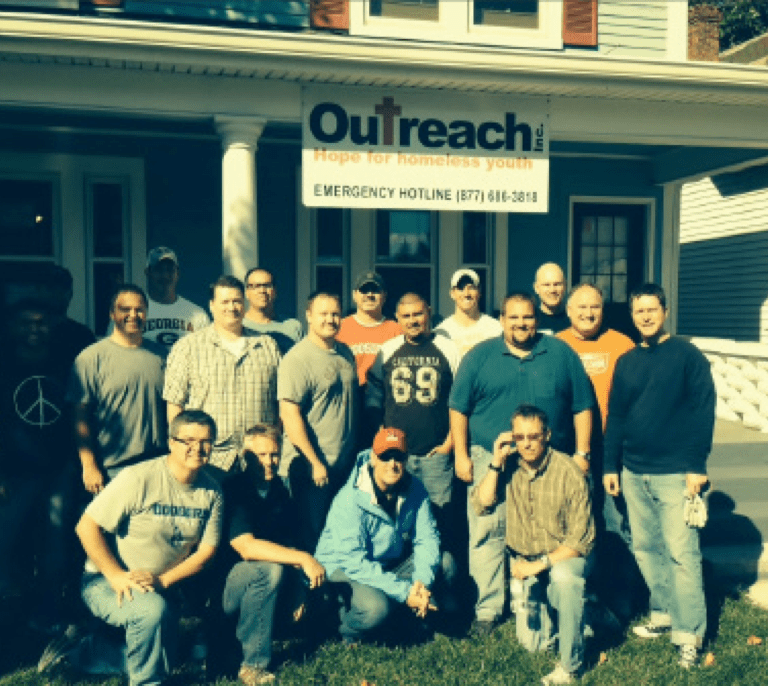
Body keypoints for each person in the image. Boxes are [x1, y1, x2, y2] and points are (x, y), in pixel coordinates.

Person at [38, 410, 223, 686]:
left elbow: (206, 553)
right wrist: (115, 575)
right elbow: (85, 527)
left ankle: (80, 652)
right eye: (188, 440)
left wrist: (162, 581)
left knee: (163, 657)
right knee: (150, 614)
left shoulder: (212, 491)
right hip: (105, 580)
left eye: (206, 441)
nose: (197, 448)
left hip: (160, 586)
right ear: (171, 442)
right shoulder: (139, 478)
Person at [449, 292, 594, 634]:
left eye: (527, 317)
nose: (521, 324)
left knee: (546, 528)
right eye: (513, 318)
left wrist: (583, 453)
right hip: (493, 455)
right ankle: (487, 609)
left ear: (537, 320)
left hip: (546, 458)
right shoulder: (480, 356)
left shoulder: (559, 353)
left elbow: (582, 404)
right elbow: (458, 407)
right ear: (501, 320)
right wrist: (461, 453)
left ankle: (543, 597)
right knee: (487, 530)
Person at [603, 283, 715, 669]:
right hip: (634, 472)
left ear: (664, 311)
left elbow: (702, 412)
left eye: (652, 309)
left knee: (682, 554)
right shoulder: (628, 360)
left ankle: (689, 635)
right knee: (647, 549)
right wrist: (609, 465)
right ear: (632, 315)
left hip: (675, 475)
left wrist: (696, 467)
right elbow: (615, 416)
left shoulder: (687, 356)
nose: (645, 316)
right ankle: (664, 613)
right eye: (639, 311)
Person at [472, 405, 595, 685]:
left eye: (533, 436)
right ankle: (585, 617)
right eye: (519, 437)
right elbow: (481, 504)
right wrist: (495, 461)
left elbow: (581, 539)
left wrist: (537, 566)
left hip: (563, 558)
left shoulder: (568, 471)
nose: (526, 444)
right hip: (527, 563)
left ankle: (570, 667)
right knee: (533, 644)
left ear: (547, 435)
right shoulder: (508, 466)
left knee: (564, 581)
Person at [315, 427, 451, 645]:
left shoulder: (416, 489)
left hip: (384, 564)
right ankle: (345, 629)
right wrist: (405, 592)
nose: (392, 464)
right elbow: (354, 561)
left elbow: (427, 538)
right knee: (375, 609)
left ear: (406, 460)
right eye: (385, 456)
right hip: (343, 569)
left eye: (398, 457)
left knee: (446, 563)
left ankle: (402, 618)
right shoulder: (350, 499)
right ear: (373, 458)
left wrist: (421, 584)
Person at [216, 424, 325, 686]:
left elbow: (290, 541)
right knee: (270, 570)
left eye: (274, 455)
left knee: (314, 582)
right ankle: (252, 665)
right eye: (261, 456)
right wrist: (303, 558)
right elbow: (247, 547)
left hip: (263, 585)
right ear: (246, 457)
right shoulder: (235, 489)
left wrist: (300, 588)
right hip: (227, 586)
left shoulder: (279, 489)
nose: (269, 462)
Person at [557, 283, 640, 621]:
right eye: (581, 307)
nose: (588, 313)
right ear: (568, 311)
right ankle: (584, 593)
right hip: (571, 449)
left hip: (613, 446)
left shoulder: (622, 344)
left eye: (594, 307)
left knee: (616, 523)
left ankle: (622, 595)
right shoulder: (557, 345)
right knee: (576, 522)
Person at [0, 299, 78, 633]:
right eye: (27, 323)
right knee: (7, 541)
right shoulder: (4, 365)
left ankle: (47, 612)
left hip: (58, 470)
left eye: (41, 323)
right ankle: (10, 614)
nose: (35, 330)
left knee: (55, 542)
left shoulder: (64, 364)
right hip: (14, 473)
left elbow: (79, 414)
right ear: (13, 327)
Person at [163, 275, 281, 481]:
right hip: (209, 460)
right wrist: (183, 451)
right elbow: (175, 405)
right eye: (225, 301)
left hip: (257, 461)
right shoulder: (187, 347)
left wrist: (273, 445)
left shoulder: (267, 345)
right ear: (211, 305)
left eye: (236, 301)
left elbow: (282, 403)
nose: (232, 307)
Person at [367, 293, 460, 540]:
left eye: (418, 314)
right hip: (397, 455)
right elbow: (374, 398)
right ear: (397, 318)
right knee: (399, 519)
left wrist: (449, 443)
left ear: (428, 312)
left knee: (440, 521)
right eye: (406, 316)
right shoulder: (388, 350)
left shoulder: (448, 348)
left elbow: (461, 401)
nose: (413, 320)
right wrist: (379, 435)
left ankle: (441, 576)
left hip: (436, 455)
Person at [68, 285, 168, 494]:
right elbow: (80, 417)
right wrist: (89, 466)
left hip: (158, 468)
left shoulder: (163, 356)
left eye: (139, 309)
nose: (133, 315)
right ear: (112, 314)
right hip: (111, 471)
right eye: (125, 309)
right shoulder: (91, 358)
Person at [278, 292, 357, 552]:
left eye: (335, 313)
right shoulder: (297, 359)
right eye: (323, 314)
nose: (330, 319)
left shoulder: (345, 352)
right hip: (312, 468)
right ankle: (311, 592)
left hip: (342, 465)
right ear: (309, 316)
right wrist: (314, 462)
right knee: (313, 539)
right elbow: (290, 415)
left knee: (339, 537)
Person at [337, 270, 401, 449]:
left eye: (375, 290)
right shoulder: (341, 327)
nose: (369, 295)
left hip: (385, 405)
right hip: (349, 403)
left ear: (384, 296)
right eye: (364, 290)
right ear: (354, 295)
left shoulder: (396, 330)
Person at [142, 247, 210, 350]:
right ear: (148, 273)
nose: (165, 275)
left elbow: (207, 354)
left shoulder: (198, 315)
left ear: (177, 273)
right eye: (158, 270)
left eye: (170, 270)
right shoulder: (133, 311)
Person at [435, 268, 501, 357]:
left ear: (479, 291)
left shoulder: (495, 329)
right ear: (452, 293)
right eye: (461, 288)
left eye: (471, 288)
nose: (466, 294)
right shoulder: (441, 333)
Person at [40, 265, 96, 370]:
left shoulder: (82, 336)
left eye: (62, 289)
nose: (56, 294)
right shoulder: (30, 334)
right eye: (50, 288)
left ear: (69, 294)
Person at [242, 267, 303, 355]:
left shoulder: (292, 327)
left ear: (275, 291)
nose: (262, 291)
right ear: (247, 292)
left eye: (267, 285)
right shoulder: (238, 326)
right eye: (256, 286)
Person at [534, 263, 569, 335]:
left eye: (557, 284)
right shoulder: (529, 320)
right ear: (536, 288)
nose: (552, 290)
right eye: (546, 285)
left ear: (565, 286)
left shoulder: (575, 320)